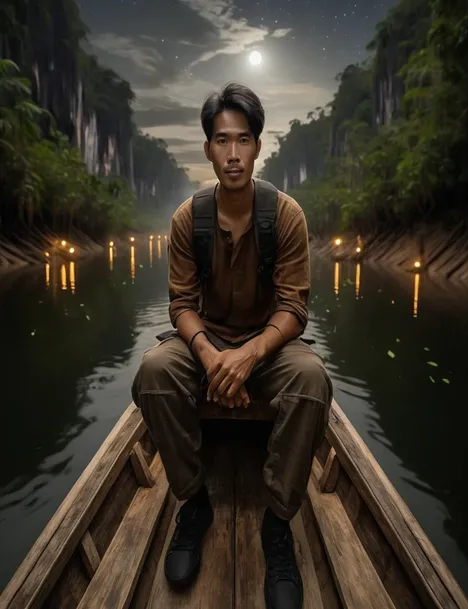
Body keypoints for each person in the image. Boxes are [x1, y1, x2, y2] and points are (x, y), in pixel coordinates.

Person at [131, 82, 333, 609]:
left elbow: (294, 308)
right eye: (222, 141)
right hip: (208, 341)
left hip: (268, 344)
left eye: (243, 140)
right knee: (154, 370)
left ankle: (277, 522)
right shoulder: (187, 220)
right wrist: (213, 355)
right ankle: (193, 501)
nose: (234, 154)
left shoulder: (285, 215)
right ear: (208, 149)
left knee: (311, 381)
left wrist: (248, 357)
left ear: (258, 147)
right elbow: (180, 304)